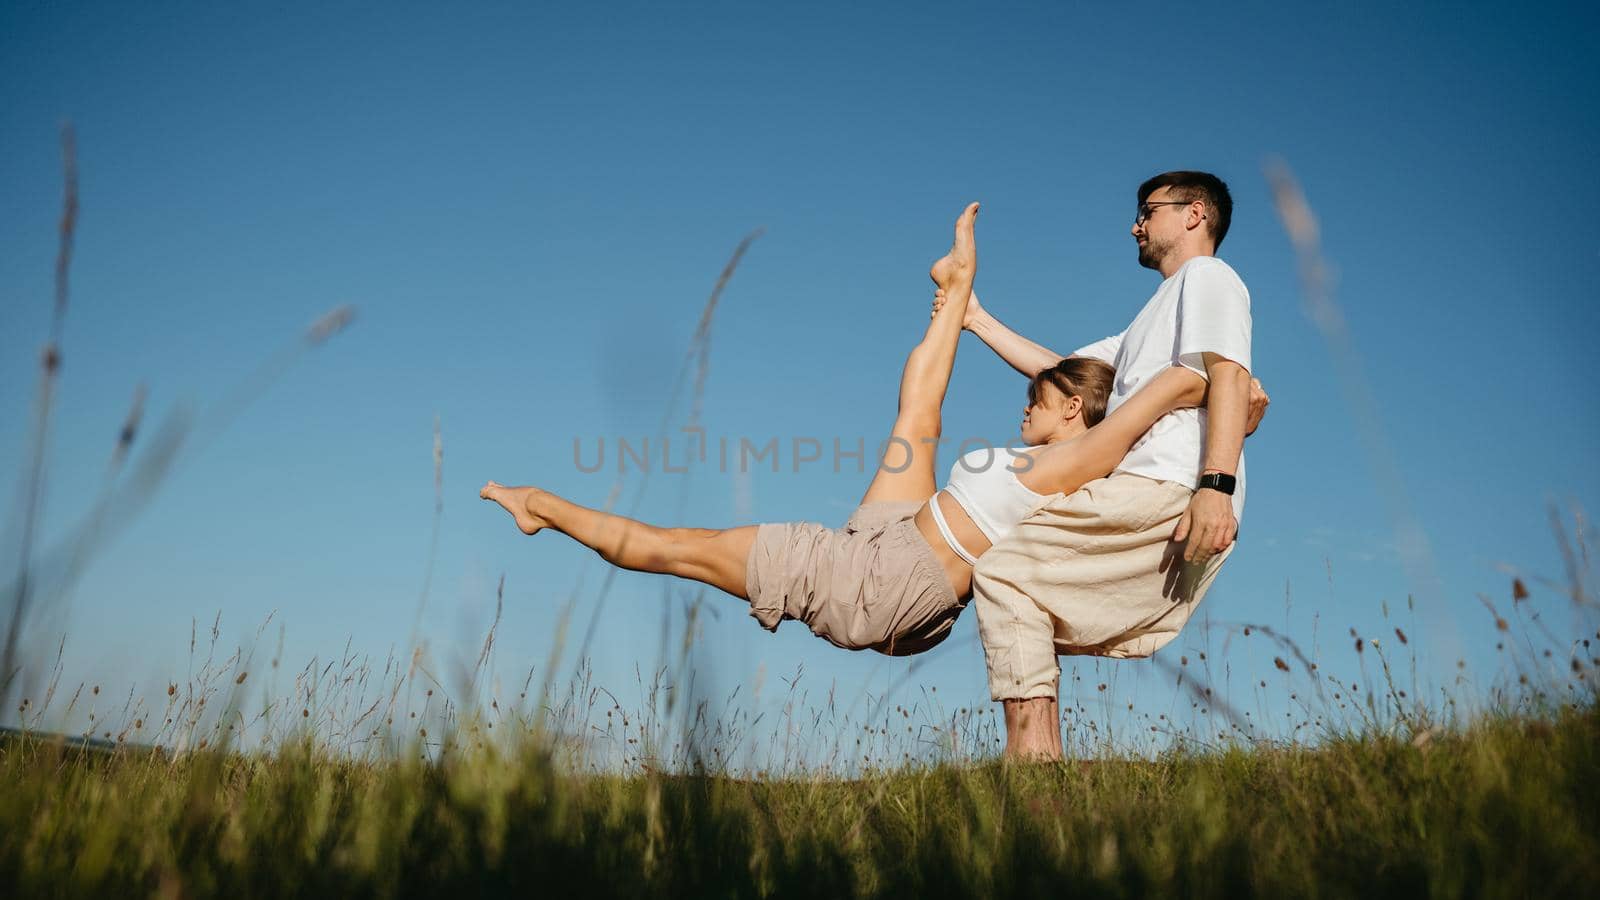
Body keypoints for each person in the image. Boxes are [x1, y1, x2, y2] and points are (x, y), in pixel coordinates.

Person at [480, 203, 1215, 656]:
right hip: (898, 537)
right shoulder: (1048, 454)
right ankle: (954, 291)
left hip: (888, 581)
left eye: (1042, 395)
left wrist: (1189, 383)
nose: (1027, 403)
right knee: (917, 417)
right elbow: (942, 412)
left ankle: (538, 506)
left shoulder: (1074, 461)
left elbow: (1123, 431)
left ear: (1073, 411)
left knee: (681, 550)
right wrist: (967, 309)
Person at [940, 171, 1261, 759]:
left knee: (1007, 574)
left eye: (1147, 210)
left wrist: (1215, 485)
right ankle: (1039, 771)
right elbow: (1062, 370)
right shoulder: (1151, 318)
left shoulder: (1209, 277)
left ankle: (1035, 770)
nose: (1135, 223)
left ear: (1194, 214)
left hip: (1171, 484)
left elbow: (1231, 374)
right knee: (1014, 583)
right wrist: (976, 319)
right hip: (1155, 486)